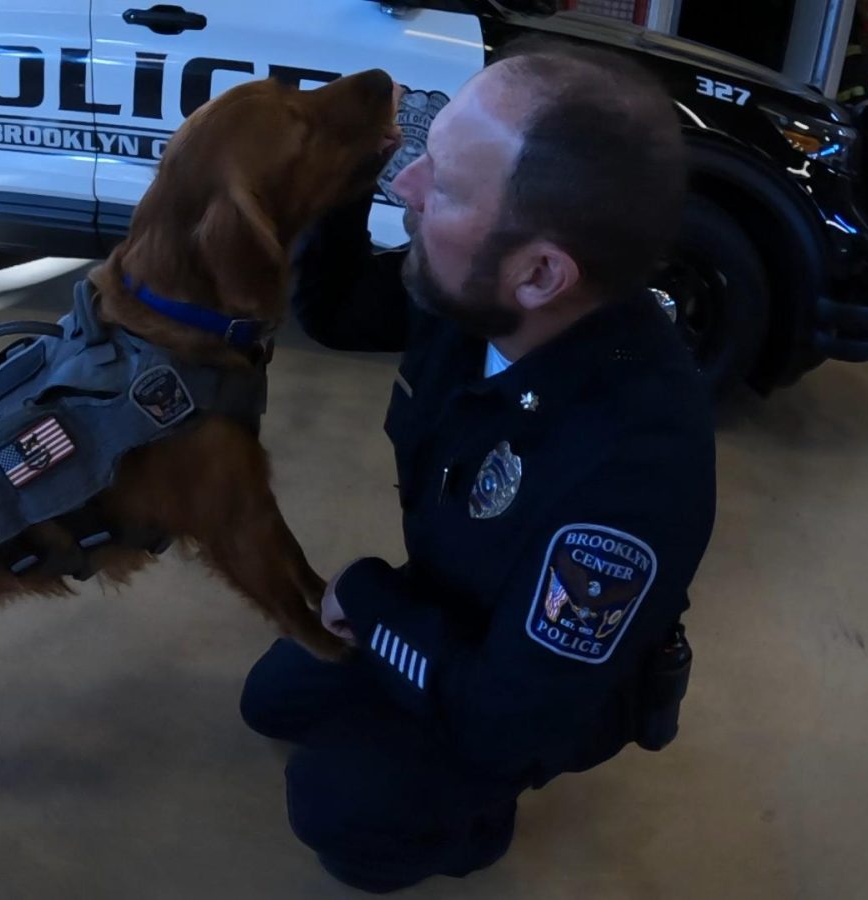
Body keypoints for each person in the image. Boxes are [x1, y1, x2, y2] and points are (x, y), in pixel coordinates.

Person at [239, 37, 718, 893]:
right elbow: (345, 312)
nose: (407, 186)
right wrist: (343, 174)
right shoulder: (484, 294)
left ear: (541, 272)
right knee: (271, 702)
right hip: (447, 599)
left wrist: (375, 601)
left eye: (446, 185)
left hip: (539, 690)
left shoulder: (634, 464)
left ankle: (475, 830)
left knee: (340, 807)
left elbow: (507, 715)